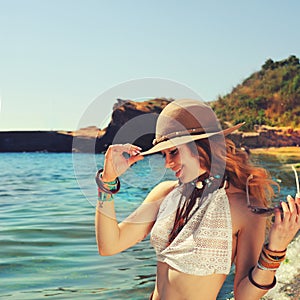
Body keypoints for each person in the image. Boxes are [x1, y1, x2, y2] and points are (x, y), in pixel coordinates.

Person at [95, 99, 300, 300]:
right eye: (163, 155)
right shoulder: (165, 193)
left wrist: (276, 248)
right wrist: (107, 181)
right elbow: (110, 245)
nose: (167, 163)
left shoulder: (244, 206)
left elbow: (244, 295)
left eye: (173, 152)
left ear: (201, 145)